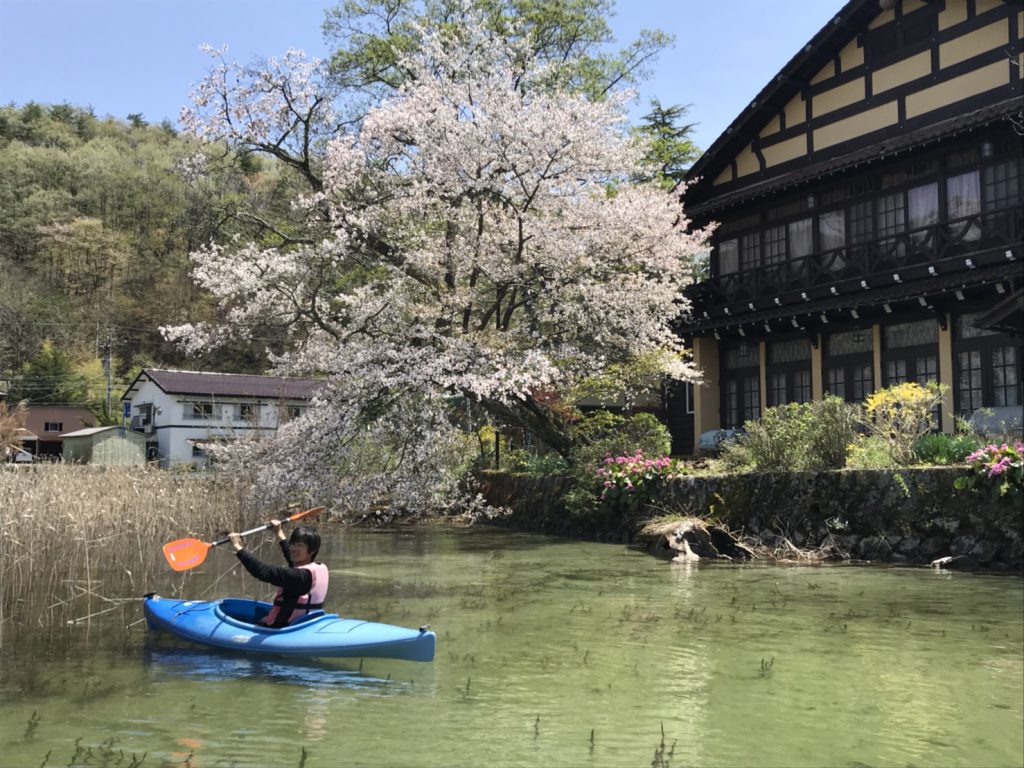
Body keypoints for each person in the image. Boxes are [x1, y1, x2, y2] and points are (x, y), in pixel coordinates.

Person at [227, 520, 329, 628]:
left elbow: (262, 572)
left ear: (312, 551)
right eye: (292, 543)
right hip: (305, 622)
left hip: (284, 626)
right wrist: (279, 533)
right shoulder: (312, 569)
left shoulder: (298, 576)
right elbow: (290, 556)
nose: (293, 548)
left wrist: (237, 547)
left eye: (300, 545)